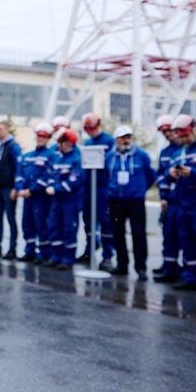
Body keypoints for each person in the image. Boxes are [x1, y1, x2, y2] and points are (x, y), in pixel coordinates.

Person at [105, 125, 155, 281]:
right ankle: (122, 265)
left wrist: (139, 190)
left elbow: (151, 175)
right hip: (116, 201)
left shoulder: (141, 155)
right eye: (123, 137)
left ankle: (141, 268)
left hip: (135, 201)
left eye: (128, 137)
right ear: (116, 140)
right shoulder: (109, 157)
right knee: (118, 234)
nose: (126, 140)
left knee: (138, 234)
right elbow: (106, 175)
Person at [79, 112, 115, 269]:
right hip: (89, 186)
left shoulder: (108, 141)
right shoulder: (88, 143)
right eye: (87, 129)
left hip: (102, 187)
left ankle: (107, 256)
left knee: (105, 221)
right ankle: (90, 249)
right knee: (88, 220)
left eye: (91, 128)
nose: (90, 132)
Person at [14, 123, 54, 263]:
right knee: (27, 223)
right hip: (27, 196)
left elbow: (47, 176)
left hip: (40, 197)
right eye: (39, 136)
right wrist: (20, 189)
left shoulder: (51, 155)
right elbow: (19, 174)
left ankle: (44, 253)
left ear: (48, 138)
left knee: (41, 224)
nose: (40, 139)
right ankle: (29, 251)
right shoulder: (28, 155)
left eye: (44, 136)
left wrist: (32, 190)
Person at [44, 128, 83, 270]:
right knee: (54, 227)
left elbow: (74, 181)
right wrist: (51, 185)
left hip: (70, 200)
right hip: (57, 200)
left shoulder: (76, 159)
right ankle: (56, 256)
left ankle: (68, 259)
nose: (59, 145)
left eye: (61, 142)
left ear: (67, 143)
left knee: (69, 229)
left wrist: (55, 188)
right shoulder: (58, 158)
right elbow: (52, 176)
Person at [167, 114, 196, 291]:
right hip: (182, 203)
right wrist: (172, 173)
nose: (184, 139)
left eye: (186, 135)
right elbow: (165, 173)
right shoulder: (182, 151)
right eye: (181, 136)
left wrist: (192, 173)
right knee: (187, 241)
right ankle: (191, 277)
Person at [154, 115, 183, 282]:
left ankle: (187, 272)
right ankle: (169, 268)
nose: (167, 134)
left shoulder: (184, 149)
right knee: (169, 236)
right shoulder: (165, 152)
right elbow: (161, 177)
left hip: (186, 200)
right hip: (170, 201)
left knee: (186, 237)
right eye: (164, 132)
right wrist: (163, 198)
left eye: (169, 130)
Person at [0, 120, 22, 260]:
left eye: (0, 129)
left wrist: (16, 187)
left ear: (8, 130)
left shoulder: (13, 146)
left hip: (8, 188)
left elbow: (19, 167)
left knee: (10, 218)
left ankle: (12, 248)